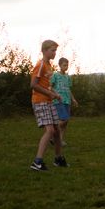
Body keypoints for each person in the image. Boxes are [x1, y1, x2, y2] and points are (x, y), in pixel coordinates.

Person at [30, 40, 67, 171]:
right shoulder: (40, 65)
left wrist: (55, 94)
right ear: (45, 51)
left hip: (49, 101)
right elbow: (33, 85)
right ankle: (37, 162)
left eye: (55, 50)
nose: (54, 53)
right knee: (50, 130)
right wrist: (49, 94)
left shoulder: (49, 66)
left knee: (56, 131)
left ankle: (58, 159)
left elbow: (47, 85)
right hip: (40, 101)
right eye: (52, 50)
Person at [50, 57, 79, 147]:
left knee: (65, 122)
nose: (66, 67)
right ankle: (52, 135)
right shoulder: (55, 75)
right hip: (58, 100)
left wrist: (73, 99)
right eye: (64, 65)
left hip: (67, 101)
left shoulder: (67, 77)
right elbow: (50, 87)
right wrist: (55, 95)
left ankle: (60, 140)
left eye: (67, 65)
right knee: (64, 119)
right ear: (60, 65)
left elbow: (68, 89)